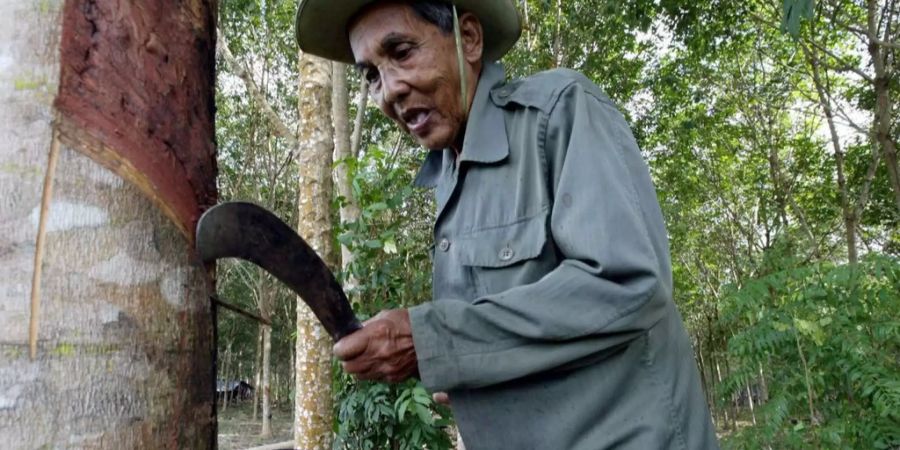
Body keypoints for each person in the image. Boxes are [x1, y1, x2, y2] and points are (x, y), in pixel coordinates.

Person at [294, 1, 719, 448]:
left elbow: (628, 285)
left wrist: (432, 339)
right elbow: (514, 333)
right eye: (372, 75)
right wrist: (469, 374)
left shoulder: (559, 112)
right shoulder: (447, 176)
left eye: (401, 52)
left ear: (469, 40)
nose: (389, 91)